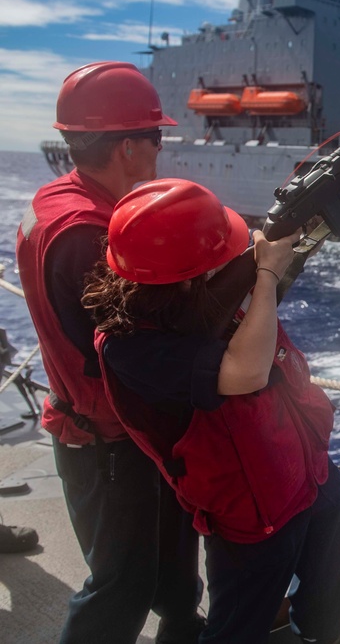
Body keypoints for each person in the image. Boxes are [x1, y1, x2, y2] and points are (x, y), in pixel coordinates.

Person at [83, 179, 340, 644]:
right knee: (236, 629)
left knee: (328, 595)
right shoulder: (130, 346)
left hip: (304, 468)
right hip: (250, 507)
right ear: (184, 277)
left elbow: (264, 272)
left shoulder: (193, 293)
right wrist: (264, 276)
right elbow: (244, 373)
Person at [16, 61, 205, 643]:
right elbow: (142, 355)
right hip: (110, 439)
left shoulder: (56, 200)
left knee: (173, 557)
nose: (159, 149)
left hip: (115, 425)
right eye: (155, 137)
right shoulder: (91, 236)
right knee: (121, 581)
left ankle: (181, 623)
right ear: (127, 146)